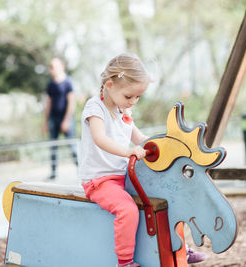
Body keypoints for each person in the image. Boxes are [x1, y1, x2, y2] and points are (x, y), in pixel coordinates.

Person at [78, 53, 206, 267]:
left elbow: (139, 139)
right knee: (127, 209)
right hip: (99, 181)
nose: (133, 102)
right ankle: (125, 262)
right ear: (109, 85)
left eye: (138, 97)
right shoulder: (95, 108)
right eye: (129, 97)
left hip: (125, 176)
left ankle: (179, 248)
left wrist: (166, 145)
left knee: (168, 197)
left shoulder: (124, 109)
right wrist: (128, 152)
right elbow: (100, 139)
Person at [43, 57, 78, 180]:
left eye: (54, 66)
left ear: (61, 67)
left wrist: (66, 120)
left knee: (72, 146)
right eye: (51, 66)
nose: (51, 69)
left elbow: (71, 101)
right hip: (53, 118)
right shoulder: (51, 84)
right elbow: (48, 103)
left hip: (66, 118)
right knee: (53, 146)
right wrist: (46, 121)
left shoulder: (68, 82)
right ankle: (53, 172)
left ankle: (81, 170)